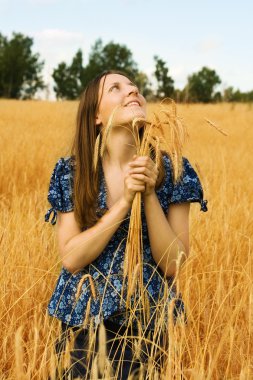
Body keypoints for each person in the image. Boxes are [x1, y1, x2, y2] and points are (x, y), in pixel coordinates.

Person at [45, 70, 208, 379]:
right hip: (82, 321)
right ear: (96, 115)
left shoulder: (173, 170)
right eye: (116, 89)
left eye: (135, 88)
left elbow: (172, 263)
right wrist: (123, 203)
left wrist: (147, 194)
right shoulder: (73, 172)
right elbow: (71, 258)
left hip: (146, 322)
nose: (132, 92)